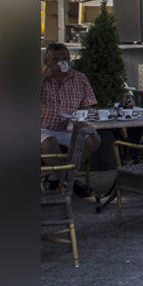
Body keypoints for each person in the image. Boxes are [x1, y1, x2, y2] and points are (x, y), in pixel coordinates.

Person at [40, 42, 100, 197]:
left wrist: (82, 116)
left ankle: (58, 178)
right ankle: (70, 182)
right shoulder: (42, 78)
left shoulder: (79, 78)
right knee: (49, 144)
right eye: (56, 59)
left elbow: (89, 105)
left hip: (69, 126)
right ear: (47, 61)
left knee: (93, 139)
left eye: (65, 58)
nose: (62, 62)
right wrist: (45, 74)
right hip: (43, 127)